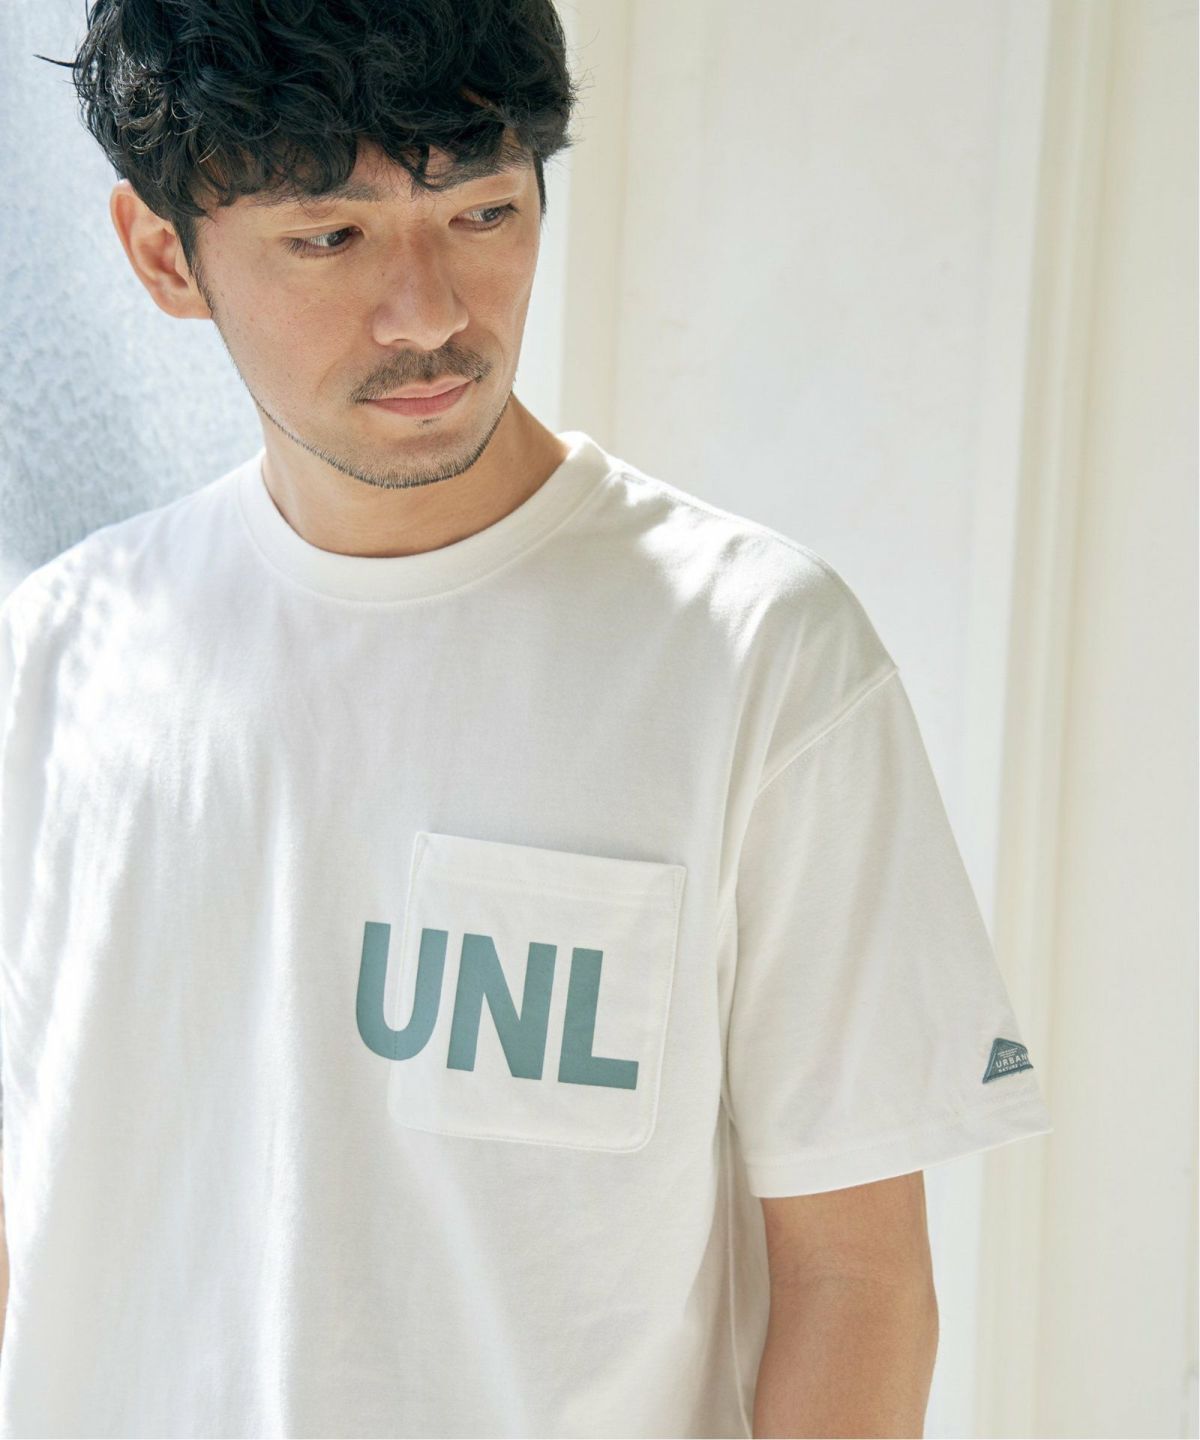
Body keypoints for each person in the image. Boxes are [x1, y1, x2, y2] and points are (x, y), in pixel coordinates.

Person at [0, 2, 1053, 1435]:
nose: (431, 313)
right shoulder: (55, 663)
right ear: (163, 256)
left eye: (483, 212)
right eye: (332, 236)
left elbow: (856, 1282)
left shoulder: (754, 658)